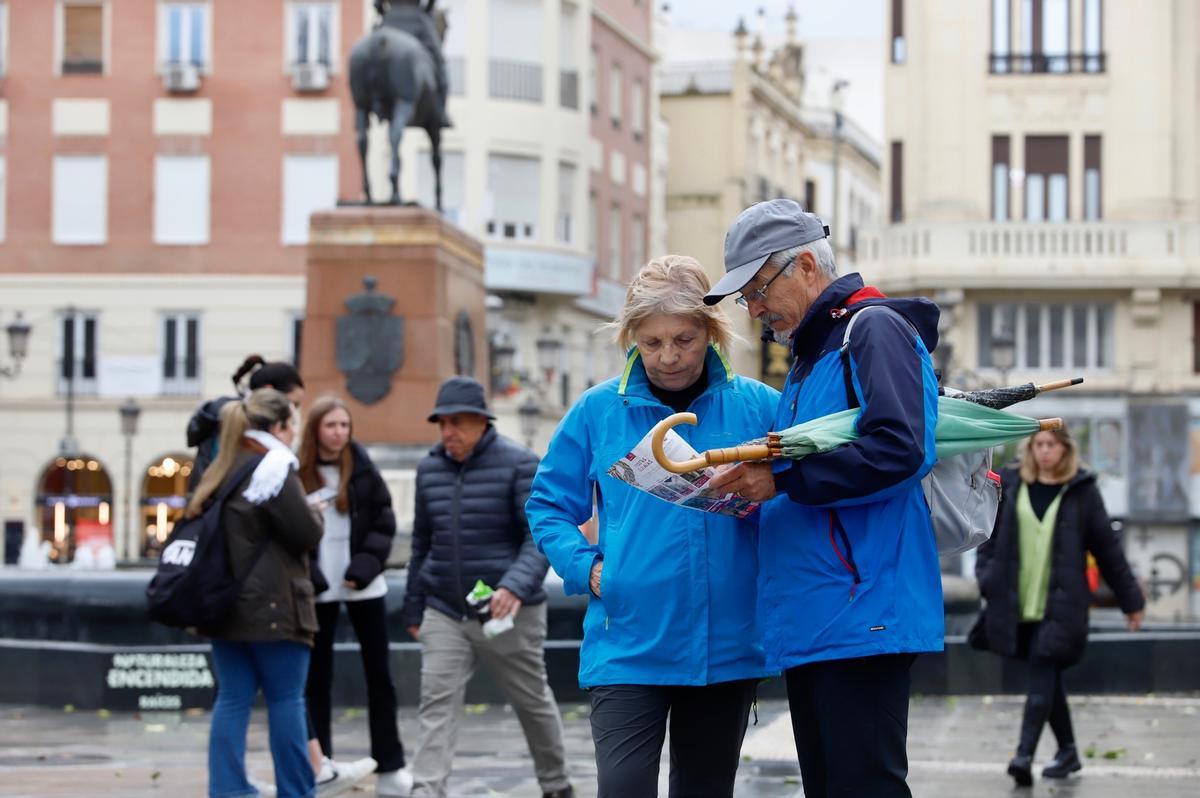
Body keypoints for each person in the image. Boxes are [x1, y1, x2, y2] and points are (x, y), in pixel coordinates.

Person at [705, 198, 943, 797]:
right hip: (821, 616)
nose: (754, 310)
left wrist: (780, 481)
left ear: (806, 266)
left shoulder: (871, 329)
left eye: (758, 290)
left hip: (861, 612)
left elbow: (900, 450)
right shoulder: (812, 358)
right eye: (746, 298)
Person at [526, 255, 779, 797]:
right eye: (651, 342)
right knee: (622, 789)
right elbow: (547, 504)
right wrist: (590, 571)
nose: (668, 357)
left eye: (684, 339)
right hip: (628, 643)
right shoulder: (597, 410)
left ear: (711, 330)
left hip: (726, 645)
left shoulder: (761, 407)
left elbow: (802, 497)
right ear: (631, 338)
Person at [404, 376, 573, 798]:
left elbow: (539, 538)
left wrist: (513, 588)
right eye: (442, 424)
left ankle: (556, 785)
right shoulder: (428, 469)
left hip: (510, 612)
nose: (448, 433)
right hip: (444, 608)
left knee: (531, 702)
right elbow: (421, 542)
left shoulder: (520, 464)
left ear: (482, 421)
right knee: (435, 705)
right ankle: (426, 790)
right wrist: (412, 608)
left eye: (457, 422)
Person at [973, 427, 1145, 787]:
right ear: (1030, 447)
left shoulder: (1081, 492)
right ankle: (1068, 750)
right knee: (1047, 680)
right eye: (1039, 444)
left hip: (1061, 606)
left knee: (1041, 672)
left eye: (1052, 444)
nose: (1045, 450)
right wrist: (986, 576)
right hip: (1017, 603)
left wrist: (1132, 602)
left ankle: (1023, 756)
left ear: (1065, 449)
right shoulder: (1011, 484)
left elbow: (1108, 551)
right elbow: (987, 532)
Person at [186, 388, 323, 798]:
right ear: (278, 427)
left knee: (232, 699)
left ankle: (227, 790)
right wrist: (315, 513)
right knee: (286, 700)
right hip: (275, 605)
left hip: (225, 605)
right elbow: (304, 533)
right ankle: (296, 791)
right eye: (292, 424)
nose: (294, 433)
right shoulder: (275, 467)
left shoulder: (219, 466)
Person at [297, 396, 412, 797]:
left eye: (344, 425)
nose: (339, 433)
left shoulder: (361, 467)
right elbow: (289, 534)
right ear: (315, 430)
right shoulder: (296, 472)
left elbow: (383, 520)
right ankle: (321, 765)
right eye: (330, 425)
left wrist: (364, 567)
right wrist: (312, 578)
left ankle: (390, 764)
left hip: (364, 586)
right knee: (315, 680)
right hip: (318, 590)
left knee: (379, 676)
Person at [187, 356, 306, 490]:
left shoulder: (233, 417)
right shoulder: (236, 421)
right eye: (292, 403)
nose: (292, 412)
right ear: (268, 390)